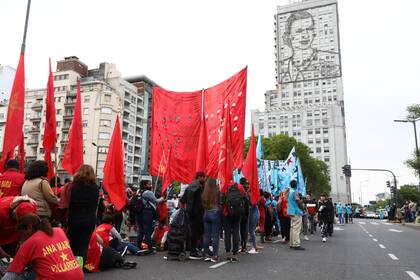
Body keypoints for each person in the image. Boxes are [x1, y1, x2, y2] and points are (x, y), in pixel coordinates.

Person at [4, 214, 84, 279]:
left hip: (55, 278)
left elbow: (11, 275)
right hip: (77, 275)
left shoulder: (29, 243)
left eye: (22, 233)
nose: (22, 237)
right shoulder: (59, 231)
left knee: (24, 276)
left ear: (29, 228)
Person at [67, 165, 99, 263]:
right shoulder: (96, 188)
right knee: (84, 245)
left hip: (74, 218)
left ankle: (72, 267)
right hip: (89, 219)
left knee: (73, 244)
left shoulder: (73, 186)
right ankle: (79, 268)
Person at [180, 172, 206, 260]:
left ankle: (193, 249)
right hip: (197, 213)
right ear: (199, 177)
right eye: (204, 177)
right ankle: (193, 251)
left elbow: (182, 200)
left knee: (191, 231)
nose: (205, 179)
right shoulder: (199, 187)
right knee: (197, 232)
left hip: (189, 213)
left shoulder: (189, 186)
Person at [133, 180, 162, 254]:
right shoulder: (148, 192)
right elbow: (156, 200)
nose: (151, 185)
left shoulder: (139, 191)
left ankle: (138, 247)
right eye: (149, 184)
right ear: (145, 185)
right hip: (146, 213)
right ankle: (150, 248)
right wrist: (163, 198)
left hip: (139, 213)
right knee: (147, 232)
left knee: (141, 232)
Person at [221, 181, 245, 262]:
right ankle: (235, 253)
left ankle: (228, 252)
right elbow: (244, 199)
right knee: (235, 232)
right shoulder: (240, 187)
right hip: (237, 213)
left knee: (227, 232)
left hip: (227, 213)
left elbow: (221, 201)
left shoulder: (224, 187)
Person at [201, 178, 221, 262]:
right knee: (215, 236)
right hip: (215, 213)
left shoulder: (204, 193)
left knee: (206, 235)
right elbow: (220, 202)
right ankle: (215, 255)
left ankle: (206, 255)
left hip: (206, 213)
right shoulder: (217, 192)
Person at [287, 180, 305, 250]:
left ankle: (292, 243)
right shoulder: (294, 192)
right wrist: (302, 209)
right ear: (296, 185)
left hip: (291, 211)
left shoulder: (289, 192)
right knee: (296, 229)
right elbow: (298, 202)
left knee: (292, 228)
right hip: (296, 212)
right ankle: (296, 244)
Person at [247, 187, 260, 254]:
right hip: (255, 214)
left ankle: (255, 247)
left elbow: (253, 205)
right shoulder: (254, 196)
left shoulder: (252, 197)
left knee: (251, 231)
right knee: (251, 231)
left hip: (253, 215)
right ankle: (254, 246)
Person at [239, 178, 250, 253]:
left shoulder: (237, 189)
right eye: (246, 184)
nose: (247, 185)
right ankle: (243, 246)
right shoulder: (244, 192)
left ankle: (238, 246)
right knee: (244, 230)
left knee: (237, 230)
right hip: (244, 214)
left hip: (237, 212)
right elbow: (248, 203)